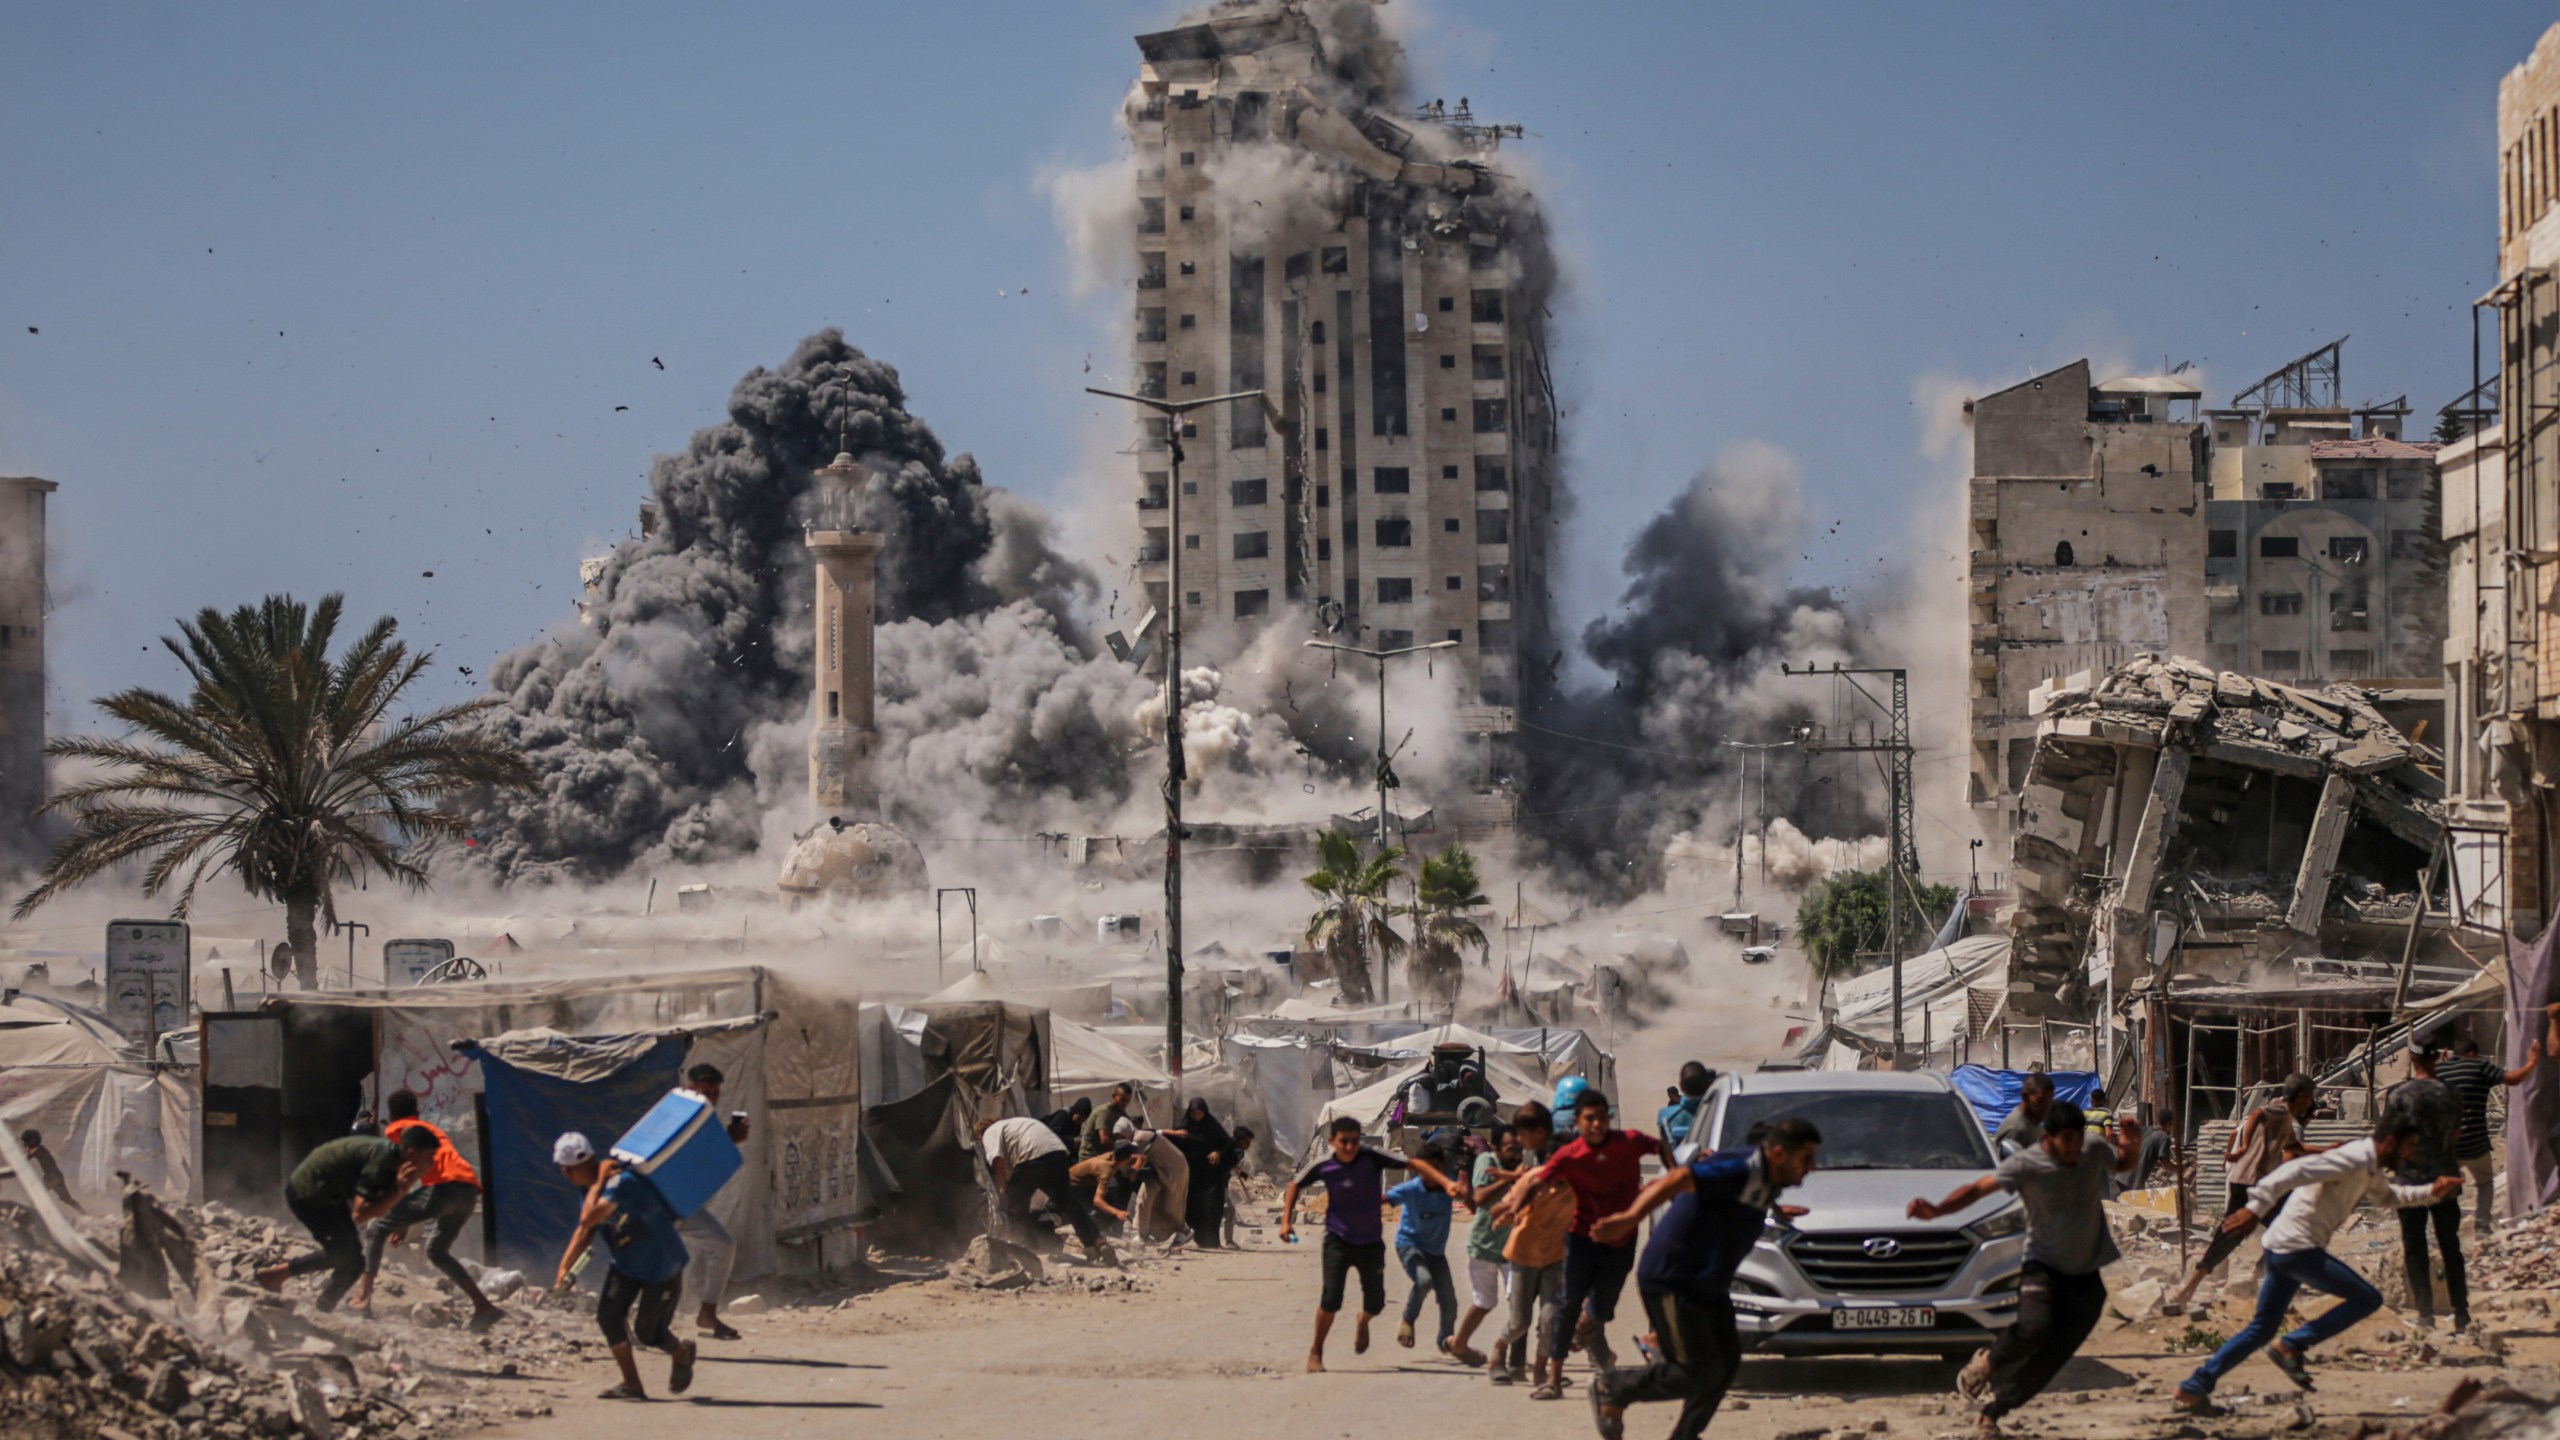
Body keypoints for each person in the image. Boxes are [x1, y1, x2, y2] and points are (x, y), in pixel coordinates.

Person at [2173, 1111, 2463, 1415]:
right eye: (2409, 1146)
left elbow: (2388, 1197)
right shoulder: (2352, 1159)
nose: (2410, 1154)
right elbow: (2293, 1171)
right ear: (2391, 1141)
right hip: (2298, 1249)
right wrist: (2254, 1208)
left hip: (2282, 1247)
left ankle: (2193, 1387)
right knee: (2368, 1298)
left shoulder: (2370, 1168)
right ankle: (2293, 1344)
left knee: (2260, 1329)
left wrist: (2431, 1192)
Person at [1586, 1116, 1823, 1440]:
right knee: (1692, 1373)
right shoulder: (1741, 1170)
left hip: (1708, 1285)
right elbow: (1679, 1178)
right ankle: (1612, 1387)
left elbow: (1753, 1197)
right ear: (1779, 1153)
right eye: (1807, 1158)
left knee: (1725, 1366)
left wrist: (1778, 1212)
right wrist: (1629, 1219)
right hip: (1674, 1279)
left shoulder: (1769, 1177)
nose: (1812, 1167)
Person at [1911, 1102, 2137, 1440]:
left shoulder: (2091, 1149)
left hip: (2087, 1272)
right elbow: (1977, 1189)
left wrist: (2131, 1143)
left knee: (2054, 1355)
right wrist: (1937, 1210)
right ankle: (1989, 1360)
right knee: (2034, 1328)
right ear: (2048, 1137)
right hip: (2042, 1265)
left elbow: (2121, 1165)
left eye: (2078, 1140)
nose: (2075, 1149)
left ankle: (1993, 1411)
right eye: (2068, 1141)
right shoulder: (2026, 1164)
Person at [1497, 1088, 1663, 1378]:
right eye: (1589, 1119)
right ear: (1577, 1121)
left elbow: (1661, 1148)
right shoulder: (1561, 1158)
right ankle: (1546, 1373)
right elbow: (1534, 1183)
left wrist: (1673, 1178)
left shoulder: (1619, 1145)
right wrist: (1514, 1207)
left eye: (1601, 1118)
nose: (1596, 1124)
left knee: (1587, 1309)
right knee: (1556, 1310)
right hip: (1562, 1245)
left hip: (1602, 1243)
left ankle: (1584, 1356)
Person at [1279, 1115, 1459, 1373]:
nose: (1350, 1147)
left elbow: (1415, 1163)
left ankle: (1363, 1321)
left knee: (1375, 1303)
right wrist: (1287, 1221)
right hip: (1338, 1240)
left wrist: (1446, 1183)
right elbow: (1294, 1185)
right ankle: (1316, 1351)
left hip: (1371, 1242)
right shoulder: (1324, 1164)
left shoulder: (1372, 1157)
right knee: (1331, 1299)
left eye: (1354, 1141)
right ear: (1333, 1141)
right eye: (1344, 1142)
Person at [552, 1131, 696, 1402]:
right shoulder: (589, 1191)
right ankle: (632, 1384)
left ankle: (681, 1353)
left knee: (648, 1333)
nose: (567, 1176)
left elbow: (590, 1217)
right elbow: (585, 1232)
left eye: (567, 1171)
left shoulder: (621, 1182)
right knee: (608, 1317)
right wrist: (564, 1270)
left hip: (661, 1265)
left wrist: (598, 1184)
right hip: (627, 1264)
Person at [2169, 1073, 2319, 1312]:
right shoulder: (2279, 1111)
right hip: (2254, 1184)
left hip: (2244, 1180)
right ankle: (2260, 1277)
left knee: (2237, 1235)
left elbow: (2292, 1147)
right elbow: (2262, 1119)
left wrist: (2330, 1149)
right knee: (2278, 1230)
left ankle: (2193, 1288)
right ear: (2302, 1097)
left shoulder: (2283, 1116)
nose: (2312, 1104)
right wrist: (2246, 1147)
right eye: (2311, 1098)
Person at [355, 1091, 503, 1329]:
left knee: (375, 1229)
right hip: (468, 1190)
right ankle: (484, 1306)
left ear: (391, 1115)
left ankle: (362, 1300)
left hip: (445, 1188)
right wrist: (403, 1221)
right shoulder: (432, 1131)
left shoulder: (398, 1129)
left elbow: (405, 1172)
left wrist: (398, 1218)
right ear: (418, 1111)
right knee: (436, 1251)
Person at [255, 1134, 407, 1311]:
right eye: (428, 1157)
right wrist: (400, 1195)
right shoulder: (382, 1161)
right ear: (411, 1153)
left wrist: (401, 1218)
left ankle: (314, 1301)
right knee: (347, 1257)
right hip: (310, 1193)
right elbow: (361, 1214)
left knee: (353, 1261)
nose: (430, 1165)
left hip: (328, 1196)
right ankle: (313, 1302)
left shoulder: (391, 1161)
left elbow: (384, 1196)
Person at [1489, 1102, 1572, 1396]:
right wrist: (1510, 1210)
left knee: (1550, 1319)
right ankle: (1500, 1347)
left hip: (1553, 1258)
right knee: (1519, 1322)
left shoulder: (1574, 1185)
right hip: (1523, 1257)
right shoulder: (1531, 1178)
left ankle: (1540, 1371)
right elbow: (1503, 1204)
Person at [2389, 1043, 2470, 1332]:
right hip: (2445, 1177)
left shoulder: (2399, 1095)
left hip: (2409, 1180)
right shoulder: (2451, 1093)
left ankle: (2425, 1314)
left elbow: (2390, 1138)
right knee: (2450, 1245)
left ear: (2411, 1056)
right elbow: (2457, 1132)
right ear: (2437, 1056)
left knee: (2414, 1246)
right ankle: (2461, 1314)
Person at [673, 1062, 751, 1340]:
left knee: (723, 1244)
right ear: (688, 1090)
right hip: (658, 1206)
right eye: (704, 1093)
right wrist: (728, 1140)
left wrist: (729, 1140)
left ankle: (707, 1312)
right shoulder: (675, 1118)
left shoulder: (706, 1124)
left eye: (715, 1094)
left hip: (683, 1206)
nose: (711, 1099)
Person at [2444, 1021, 2541, 1237]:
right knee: (2485, 1182)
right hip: (2475, 1143)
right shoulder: (2479, 1067)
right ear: (2471, 1054)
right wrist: (2533, 1060)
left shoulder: (2440, 1070)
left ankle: (2446, 1226)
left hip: (2447, 1145)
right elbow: (2513, 1079)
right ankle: (2481, 1225)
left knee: (2447, 1185)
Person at [978, 1114, 1115, 1266]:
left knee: (1014, 1206)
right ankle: (1098, 1242)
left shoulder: (989, 1132)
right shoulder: (1014, 1123)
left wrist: (1003, 1189)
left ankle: (1024, 1250)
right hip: (1058, 1154)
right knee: (1069, 1203)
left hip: (1033, 1157)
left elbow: (997, 1159)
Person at [1451, 1122, 1526, 1370]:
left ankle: (1510, 1355)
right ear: (1496, 1147)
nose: (1514, 1154)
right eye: (1509, 1149)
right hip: (1484, 1244)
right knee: (1484, 1302)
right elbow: (1481, 1197)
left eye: (1518, 1149)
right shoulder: (1488, 1163)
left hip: (1512, 1247)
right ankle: (1459, 1344)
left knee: (1519, 1302)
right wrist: (1512, 1180)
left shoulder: (1520, 1168)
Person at [1389, 1140, 1461, 1354]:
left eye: (1436, 1168)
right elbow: (1385, 1198)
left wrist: (1467, 1194)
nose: (1431, 1174)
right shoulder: (1412, 1189)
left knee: (1449, 1300)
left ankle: (1445, 1339)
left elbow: (1472, 1201)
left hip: (1436, 1253)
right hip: (1410, 1245)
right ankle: (1407, 1320)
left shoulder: (1449, 1187)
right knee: (1424, 1280)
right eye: (1426, 1168)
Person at [1168, 1098, 1235, 1248]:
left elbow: (1227, 1142)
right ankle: (1191, 1237)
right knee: (1192, 1206)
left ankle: (1210, 1241)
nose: (1197, 1117)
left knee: (1211, 1206)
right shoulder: (1184, 1126)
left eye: (1199, 1113)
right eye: (1194, 1114)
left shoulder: (1212, 1125)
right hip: (1191, 1174)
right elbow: (1173, 1145)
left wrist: (1218, 1152)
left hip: (1210, 1174)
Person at [1128, 1125, 1192, 1245]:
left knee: (1171, 1205)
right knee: (1144, 1198)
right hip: (1160, 1171)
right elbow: (1160, 1131)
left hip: (1174, 1171)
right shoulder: (1140, 1134)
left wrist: (1132, 1171)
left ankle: (1184, 1230)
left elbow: (1140, 1160)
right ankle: (1141, 1233)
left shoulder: (1139, 1138)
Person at [1070, 1141, 1147, 1229]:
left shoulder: (1112, 1156)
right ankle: (1093, 1231)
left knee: (1113, 1205)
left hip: (1082, 1183)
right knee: (1112, 1210)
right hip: (1074, 1187)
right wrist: (1117, 1212)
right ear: (1126, 1159)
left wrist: (1135, 1169)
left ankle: (1096, 1228)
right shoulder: (1106, 1171)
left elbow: (1140, 1157)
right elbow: (1098, 1200)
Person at [16, 1129, 82, 1213]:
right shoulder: (41, 1148)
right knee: (66, 1199)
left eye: (26, 1142)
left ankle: (34, 1216)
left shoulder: (38, 1150)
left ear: (31, 1141)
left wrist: (25, 1149)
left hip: (51, 1177)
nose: (24, 1144)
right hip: (57, 1175)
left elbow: (24, 1159)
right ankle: (84, 1213)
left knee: (36, 1197)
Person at [1656, 1063, 1713, 1155]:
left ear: (1681, 1086)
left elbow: (1665, 1150)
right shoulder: (1721, 1111)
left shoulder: (1665, 1117)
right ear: (1708, 1084)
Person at [1994, 1071, 2055, 1156]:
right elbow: (2008, 1166)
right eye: (2041, 1101)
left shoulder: (2034, 1120)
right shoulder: (2017, 1129)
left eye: (2050, 1101)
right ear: (2025, 1096)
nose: (2046, 1107)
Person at [1081, 1082, 1138, 1159]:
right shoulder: (1104, 1112)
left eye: (1127, 1101)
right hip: (1091, 1156)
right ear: (1114, 1097)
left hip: (1105, 1155)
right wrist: (1124, 1151)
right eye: (1122, 1100)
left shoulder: (1121, 1112)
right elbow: (1104, 1140)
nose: (1125, 1103)